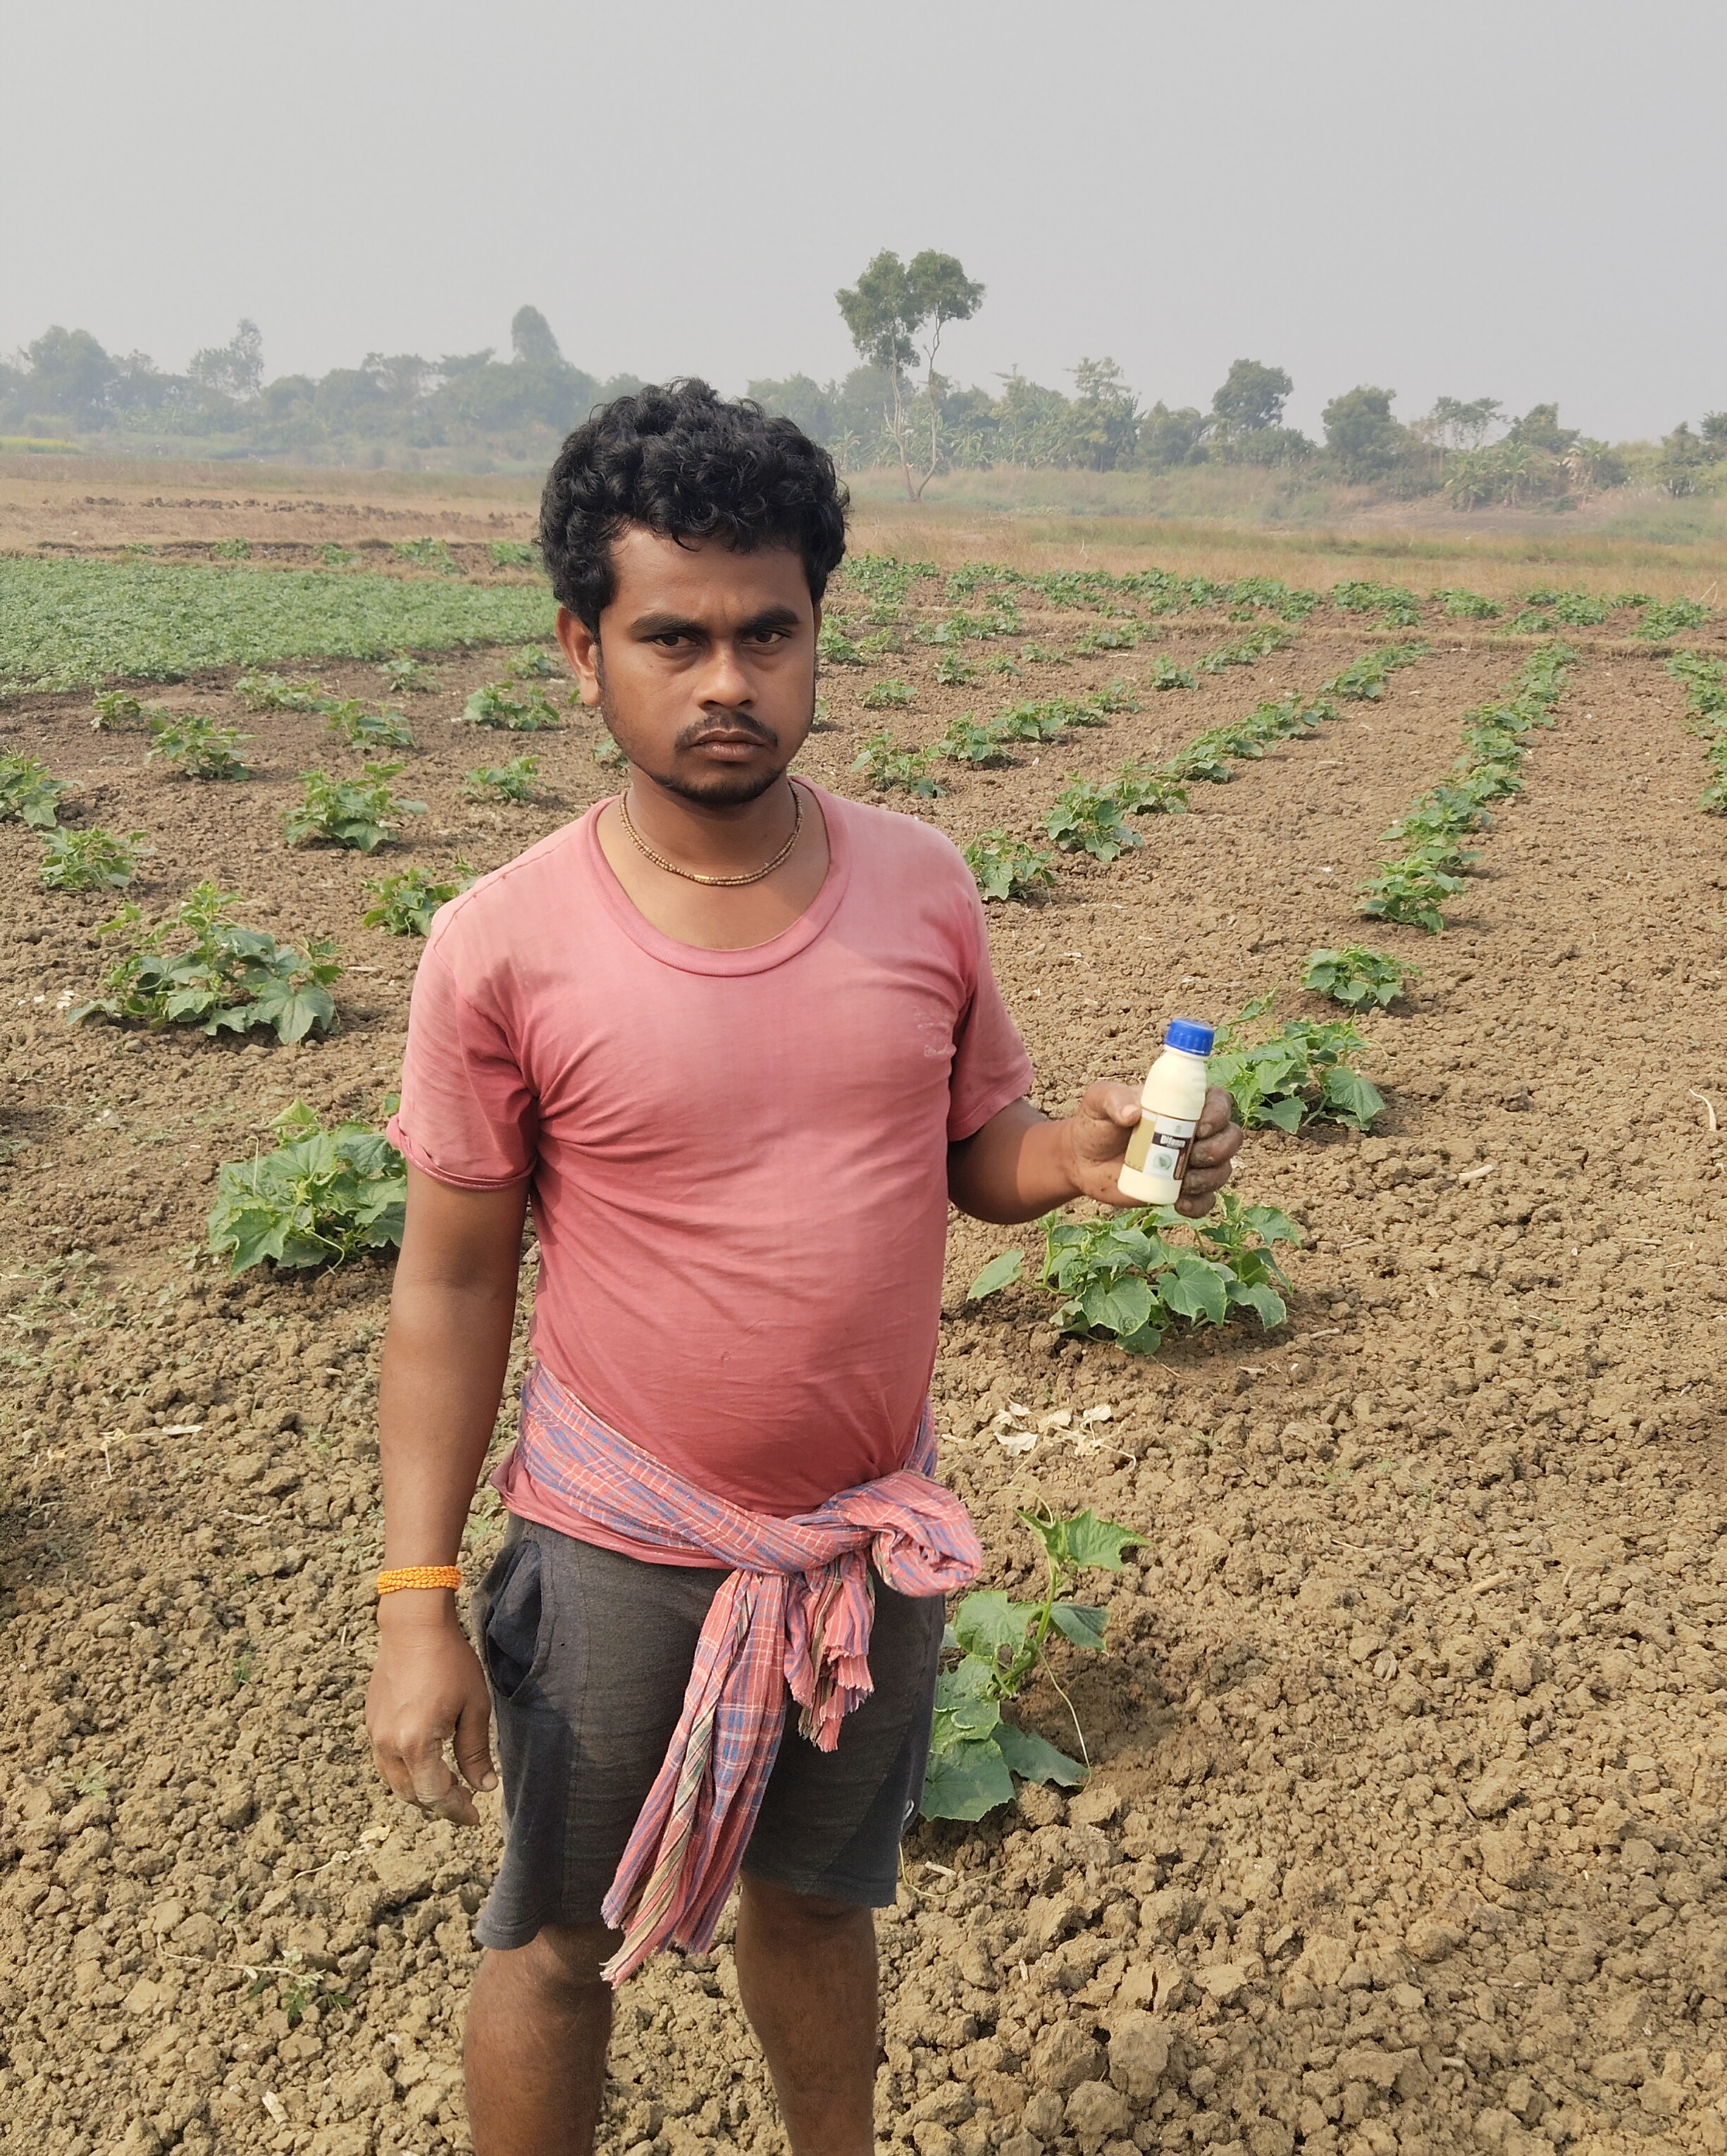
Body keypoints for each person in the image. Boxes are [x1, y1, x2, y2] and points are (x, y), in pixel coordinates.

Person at [363, 380, 1243, 2156]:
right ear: (582, 650)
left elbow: (974, 1152)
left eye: (768, 633)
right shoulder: (504, 944)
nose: (727, 681)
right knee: (557, 1944)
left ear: (818, 631)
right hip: (616, 1548)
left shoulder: (920, 887)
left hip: (859, 1539)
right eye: (671, 638)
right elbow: (448, 1288)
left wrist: (1076, 1162)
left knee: (824, 1909)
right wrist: (416, 1603)